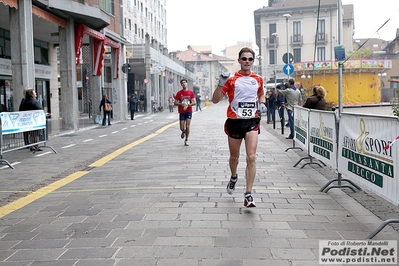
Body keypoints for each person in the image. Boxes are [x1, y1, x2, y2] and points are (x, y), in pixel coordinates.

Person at [212, 47, 266, 208]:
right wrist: (220, 84)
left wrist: (262, 103)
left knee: (251, 157)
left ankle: (248, 194)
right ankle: (234, 177)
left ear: (253, 61)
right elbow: (215, 100)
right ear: (239, 60)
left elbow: (261, 93)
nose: (247, 62)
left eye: (250, 59)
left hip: (252, 121)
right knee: (234, 157)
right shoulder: (231, 80)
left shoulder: (258, 78)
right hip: (235, 121)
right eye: (244, 59)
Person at [174, 78, 196, 146]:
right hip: (181, 112)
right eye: (182, 83)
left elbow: (194, 102)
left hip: (188, 111)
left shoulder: (191, 92)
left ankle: (186, 139)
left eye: (185, 82)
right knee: (182, 127)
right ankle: (183, 131)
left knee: (187, 126)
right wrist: (182, 104)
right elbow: (175, 102)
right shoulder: (179, 93)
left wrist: (188, 105)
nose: (184, 84)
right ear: (181, 85)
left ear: (187, 83)